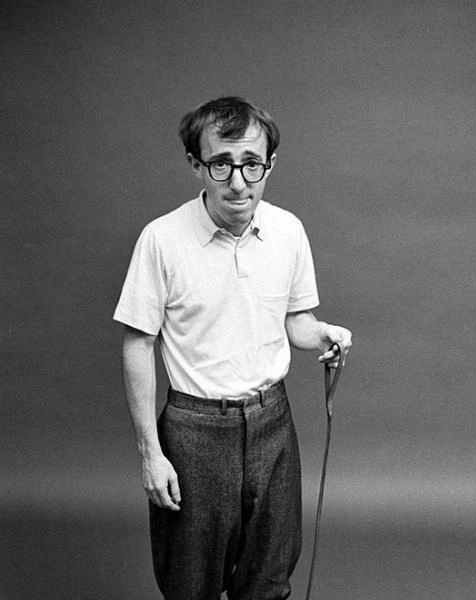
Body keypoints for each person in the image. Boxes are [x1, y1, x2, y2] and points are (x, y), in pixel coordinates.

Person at [113, 96, 352, 600]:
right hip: (194, 434)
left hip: (273, 425)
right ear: (196, 164)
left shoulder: (288, 231)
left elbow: (296, 322)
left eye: (251, 164)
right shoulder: (161, 239)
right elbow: (138, 344)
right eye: (221, 164)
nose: (239, 182)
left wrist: (323, 334)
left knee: (269, 579)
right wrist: (150, 454)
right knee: (190, 584)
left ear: (270, 164)